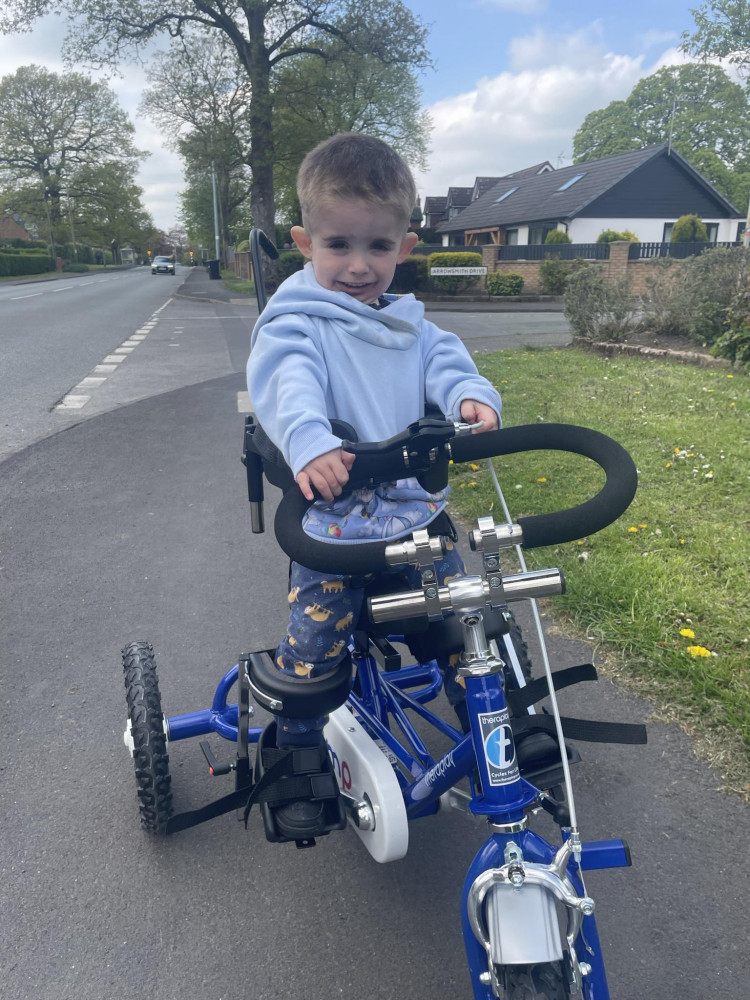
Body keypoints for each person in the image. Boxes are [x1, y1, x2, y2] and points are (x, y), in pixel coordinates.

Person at [246, 132, 501, 838]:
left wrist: (469, 400)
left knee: (459, 627)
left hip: (416, 522)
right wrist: (310, 441)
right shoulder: (297, 321)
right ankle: (297, 753)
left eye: (378, 249)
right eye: (338, 245)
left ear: (405, 248)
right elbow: (286, 383)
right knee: (315, 651)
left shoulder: (413, 326)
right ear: (304, 241)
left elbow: (447, 365)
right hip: (334, 530)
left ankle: (496, 732)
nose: (359, 266)